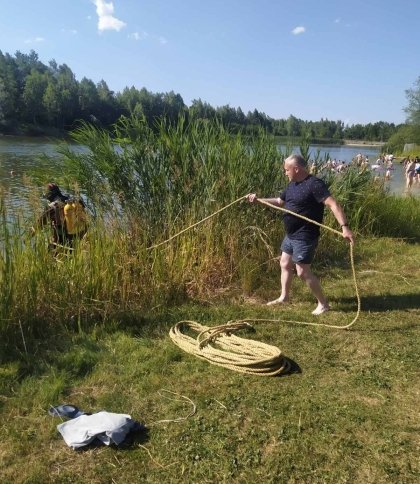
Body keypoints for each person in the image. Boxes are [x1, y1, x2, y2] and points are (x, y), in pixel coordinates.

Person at [247, 154, 355, 315]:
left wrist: (344, 227)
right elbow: (279, 201)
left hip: (305, 235)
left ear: (296, 169)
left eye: (286, 169)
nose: (285, 173)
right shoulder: (292, 184)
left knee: (302, 271)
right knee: (284, 263)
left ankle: (323, 304)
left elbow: (333, 204)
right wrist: (258, 200)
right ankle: (284, 297)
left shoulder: (314, 184)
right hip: (291, 235)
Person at [32, 183, 87, 249]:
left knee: (39, 246)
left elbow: (38, 226)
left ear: (49, 195)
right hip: (81, 237)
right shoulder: (73, 202)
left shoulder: (51, 207)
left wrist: (27, 238)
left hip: (63, 242)